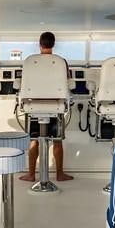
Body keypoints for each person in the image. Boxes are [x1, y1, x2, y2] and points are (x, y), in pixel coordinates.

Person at [20, 31, 73, 183]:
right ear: (54, 44)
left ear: (39, 44)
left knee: (34, 140)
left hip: (34, 106)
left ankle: (31, 174)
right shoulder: (60, 62)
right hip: (55, 106)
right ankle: (59, 174)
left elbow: (24, 84)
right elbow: (68, 83)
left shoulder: (31, 62)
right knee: (57, 140)